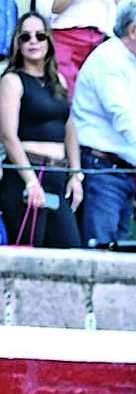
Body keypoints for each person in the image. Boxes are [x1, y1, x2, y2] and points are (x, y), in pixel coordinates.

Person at [70, 0, 136, 246]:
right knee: (102, 251)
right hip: (102, 169)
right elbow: (124, 117)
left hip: (117, 169)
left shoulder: (126, 61)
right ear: (133, 30)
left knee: (118, 250)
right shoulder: (110, 61)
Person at [0, 13, 81, 249]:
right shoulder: (12, 81)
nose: (33, 41)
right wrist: (30, 180)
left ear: (49, 41)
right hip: (28, 173)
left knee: (71, 251)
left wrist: (76, 174)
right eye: (25, 37)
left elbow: (70, 129)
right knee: (30, 254)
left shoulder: (60, 81)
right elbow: (8, 135)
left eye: (39, 35)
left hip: (57, 175)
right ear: (18, 43)